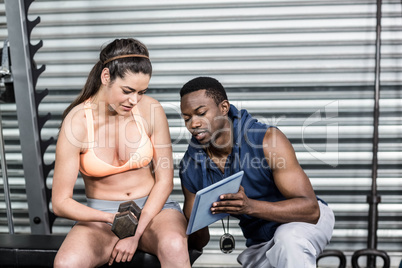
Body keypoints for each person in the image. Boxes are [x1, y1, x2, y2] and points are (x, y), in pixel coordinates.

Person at [52, 38, 190, 268]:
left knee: (174, 245)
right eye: (127, 91)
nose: (134, 100)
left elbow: (165, 181)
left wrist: (135, 233)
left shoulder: (151, 109)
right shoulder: (76, 123)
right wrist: (110, 219)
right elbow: (60, 203)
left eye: (141, 92)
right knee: (66, 263)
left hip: (154, 211)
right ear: (106, 77)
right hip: (102, 217)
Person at [179, 76, 335, 267]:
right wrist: (193, 220)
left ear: (224, 108)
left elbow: (311, 210)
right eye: (186, 118)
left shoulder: (267, 140)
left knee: (288, 240)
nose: (193, 124)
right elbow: (198, 240)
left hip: (304, 223)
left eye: (201, 113)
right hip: (260, 242)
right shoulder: (190, 165)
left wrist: (249, 206)